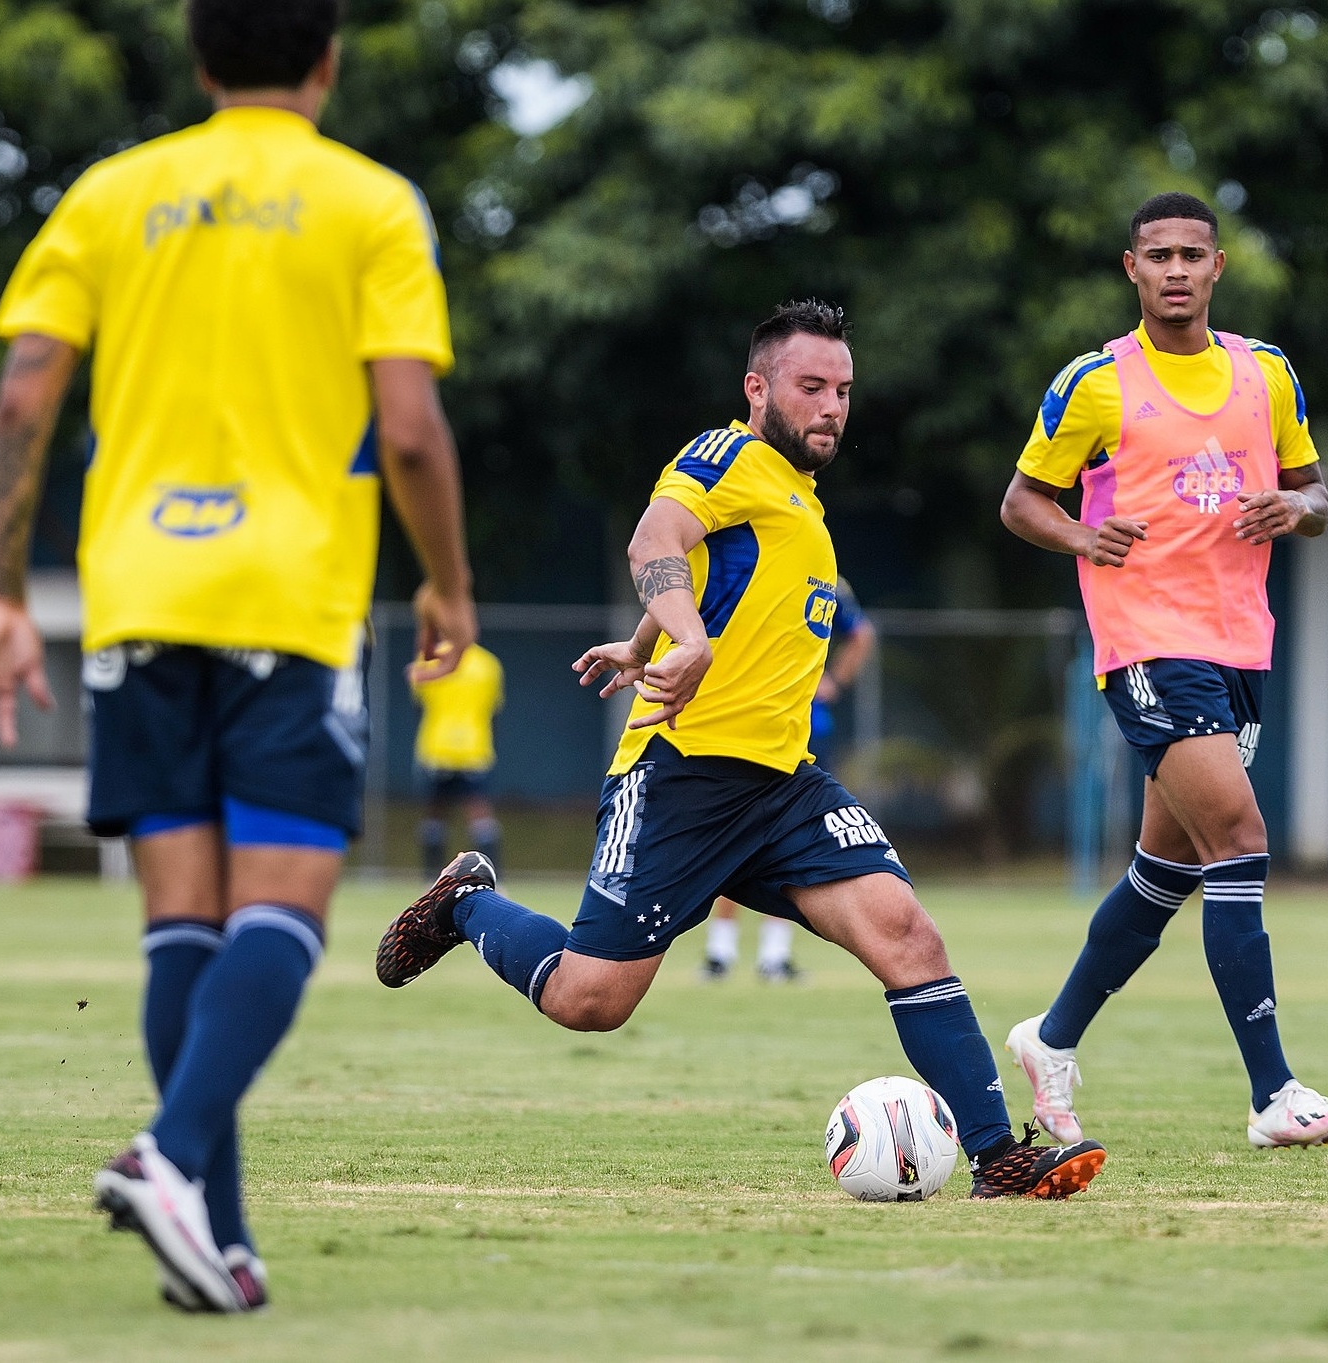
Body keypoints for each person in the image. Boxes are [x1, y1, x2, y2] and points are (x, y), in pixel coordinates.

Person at [0, 0, 475, 1313]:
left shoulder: (112, 193)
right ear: (327, 58)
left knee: (180, 927)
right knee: (285, 909)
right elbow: (409, 429)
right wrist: (447, 580)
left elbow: (24, 391)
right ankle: (170, 1154)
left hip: (135, 599)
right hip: (283, 600)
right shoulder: (370, 204)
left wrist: (6, 592)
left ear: (197, 61)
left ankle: (216, 1247)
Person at [376, 300, 1107, 1201]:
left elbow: (716, 569)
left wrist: (650, 641)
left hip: (784, 787)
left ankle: (999, 1156)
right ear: (757, 388)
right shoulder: (727, 456)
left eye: (842, 389)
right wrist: (683, 640)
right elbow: (657, 536)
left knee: (909, 936)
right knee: (588, 1000)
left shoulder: (798, 496)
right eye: (810, 386)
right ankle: (467, 905)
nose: (831, 405)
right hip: (679, 775)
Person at [998, 191, 1328, 1151]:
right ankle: (1272, 1093)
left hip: (1240, 642)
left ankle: (1050, 1037)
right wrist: (1082, 531)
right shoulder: (1095, 383)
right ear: (1130, 268)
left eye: (1188, 255)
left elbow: (1312, 487)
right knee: (1239, 839)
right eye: (1154, 254)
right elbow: (1021, 502)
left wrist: (1301, 512)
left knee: (1167, 868)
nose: (1172, 269)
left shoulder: (1266, 374)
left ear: (1216, 266)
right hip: (1146, 643)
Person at [701, 578, 875, 982]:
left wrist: (833, 682)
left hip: (784, 724)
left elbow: (861, 633)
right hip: (764, 722)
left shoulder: (815, 580)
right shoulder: (805, 574)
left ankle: (745, 955)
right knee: (760, 837)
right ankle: (743, 954)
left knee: (756, 836)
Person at [409, 641, 504, 875]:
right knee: (479, 813)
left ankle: (431, 879)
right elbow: (493, 705)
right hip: (473, 747)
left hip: (437, 747)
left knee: (435, 813)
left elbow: (420, 696)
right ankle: (495, 877)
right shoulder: (488, 663)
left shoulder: (429, 659)